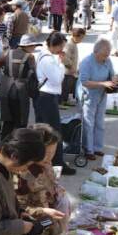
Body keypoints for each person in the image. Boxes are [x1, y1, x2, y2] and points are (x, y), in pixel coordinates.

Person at [12, 124, 69, 235]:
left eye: (53, 152)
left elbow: (50, 189)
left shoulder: (47, 166)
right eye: (47, 152)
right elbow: (18, 207)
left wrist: (57, 193)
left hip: (49, 229)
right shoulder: (22, 171)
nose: (50, 157)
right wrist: (42, 211)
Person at [35, 32, 76, 176]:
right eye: (61, 47)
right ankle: (58, 163)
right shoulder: (48, 59)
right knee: (54, 132)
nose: (62, 51)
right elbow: (57, 80)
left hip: (45, 97)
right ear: (55, 45)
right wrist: (61, 64)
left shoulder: (45, 55)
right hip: (47, 97)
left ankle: (42, 161)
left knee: (44, 131)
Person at [0, 34, 40, 139]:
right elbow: (33, 77)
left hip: (5, 90)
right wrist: (34, 93)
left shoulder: (8, 53)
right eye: (33, 45)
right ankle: (16, 147)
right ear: (27, 46)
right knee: (20, 122)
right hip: (20, 93)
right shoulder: (30, 57)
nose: (34, 48)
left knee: (7, 121)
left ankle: (2, 147)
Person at [79, 38, 118, 160]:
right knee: (89, 123)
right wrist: (103, 84)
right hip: (89, 95)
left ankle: (97, 148)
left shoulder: (107, 60)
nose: (105, 58)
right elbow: (84, 82)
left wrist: (115, 79)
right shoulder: (87, 62)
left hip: (102, 94)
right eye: (103, 55)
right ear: (96, 52)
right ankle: (88, 149)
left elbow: (112, 74)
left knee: (100, 122)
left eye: (107, 55)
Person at [61, 28, 86, 104]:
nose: (81, 40)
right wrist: (70, 67)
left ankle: (67, 100)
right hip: (68, 72)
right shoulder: (69, 44)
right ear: (75, 36)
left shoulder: (73, 44)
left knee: (70, 88)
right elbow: (64, 58)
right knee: (66, 88)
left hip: (72, 71)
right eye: (81, 38)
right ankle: (62, 101)